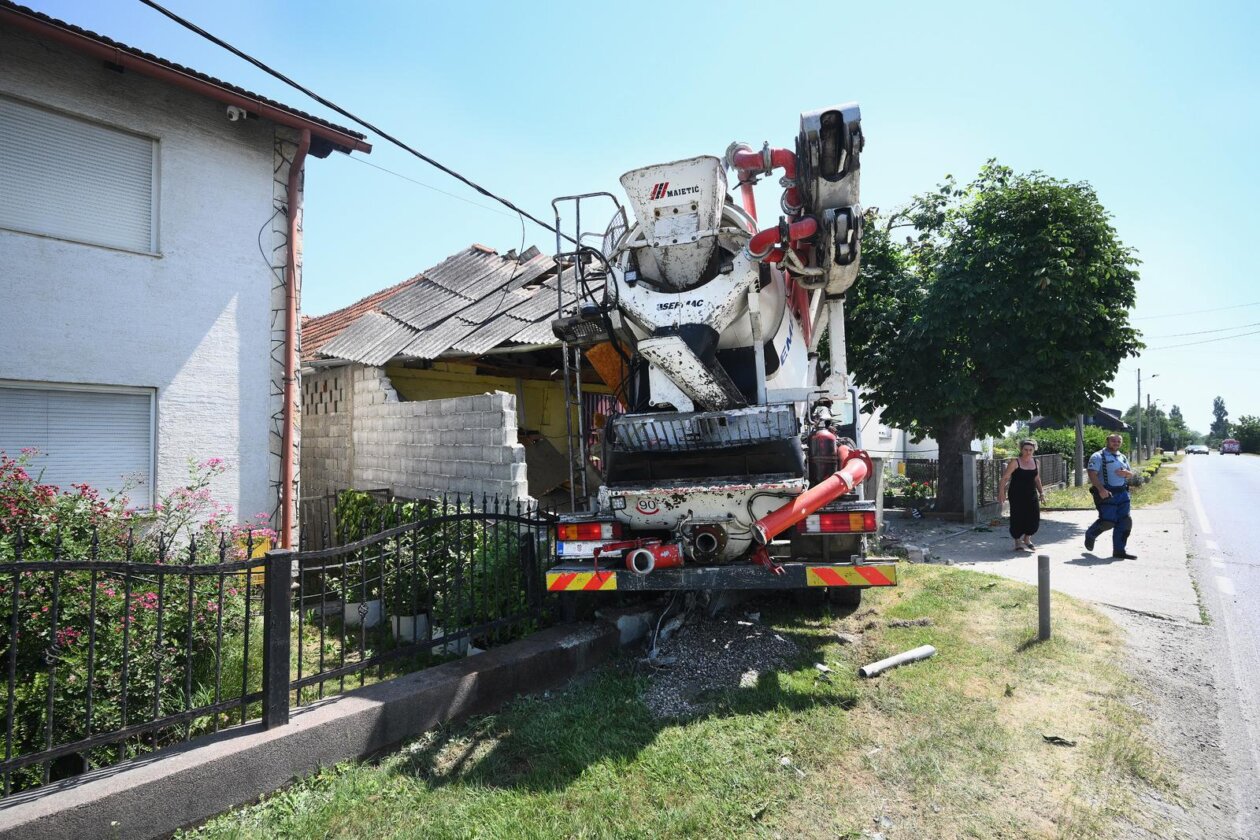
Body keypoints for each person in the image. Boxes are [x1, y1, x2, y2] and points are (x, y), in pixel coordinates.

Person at [1084, 433, 1137, 559]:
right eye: (1113, 441)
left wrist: (1127, 473)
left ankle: (1119, 551)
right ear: (1107, 441)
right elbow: (1092, 474)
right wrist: (1101, 489)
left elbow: (1130, 474)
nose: (1116, 443)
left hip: (1123, 493)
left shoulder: (1123, 457)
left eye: (1118, 441)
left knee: (1125, 522)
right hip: (1107, 493)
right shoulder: (1098, 456)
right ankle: (1090, 534)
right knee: (1108, 521)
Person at [998, 439, 1046, 552]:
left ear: (1034, 450)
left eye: (1031, 450)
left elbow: (1037, 479)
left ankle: (1027, 538)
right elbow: (1005, 478)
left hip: (1031, 493)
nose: (1028, 452)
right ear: (1021, 449)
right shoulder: (1015, 462)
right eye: (1026, 450)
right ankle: (1017, 541)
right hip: (1016, 493)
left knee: (1034, 517)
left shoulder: (1036, 462)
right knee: (1018, 516)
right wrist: (1001, 492)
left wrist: (1042, 493)